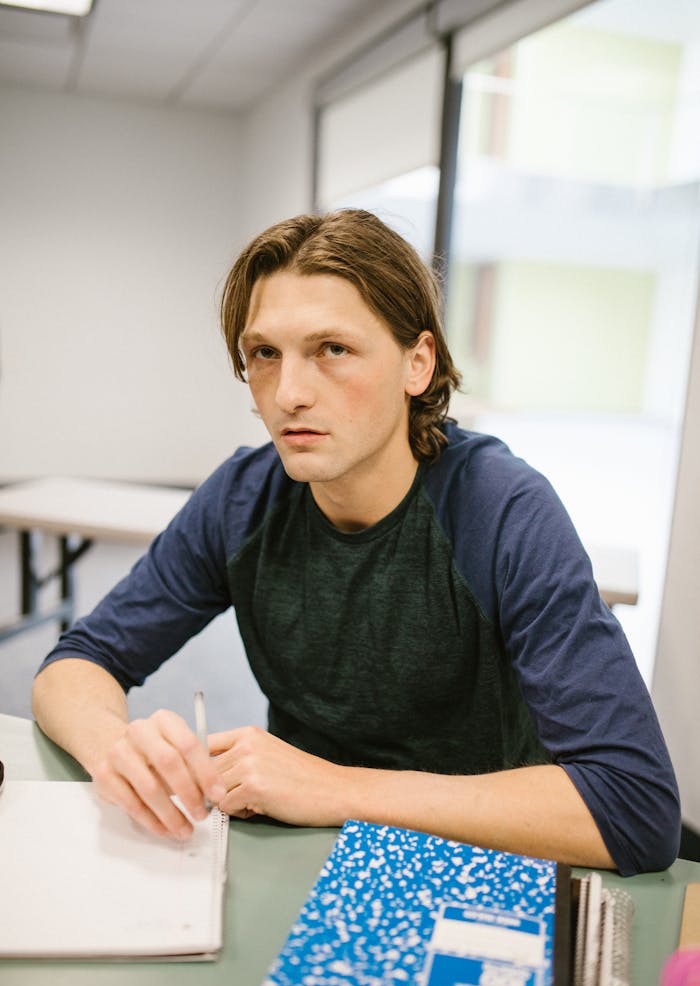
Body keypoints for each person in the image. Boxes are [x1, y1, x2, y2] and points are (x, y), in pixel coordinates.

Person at [32, 209, 680, 876]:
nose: (288, 395)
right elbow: (79, 662)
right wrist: (115, 746)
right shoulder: (241, 499)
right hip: (301, 852)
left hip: (480, 855)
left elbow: (632, 807)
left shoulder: (502, 510)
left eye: (332, 350)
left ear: (417, 363)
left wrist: (336, 788)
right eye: (264, 355)